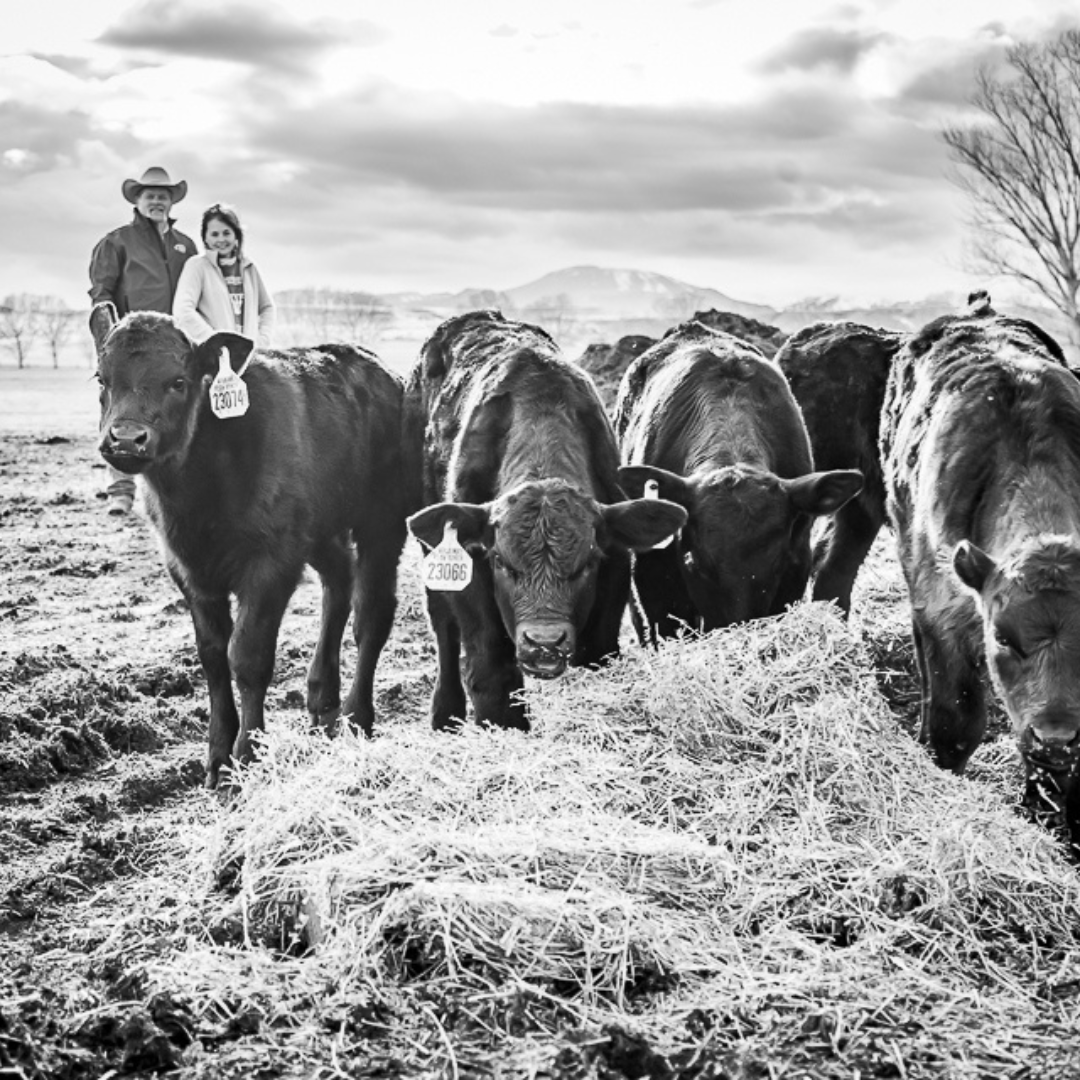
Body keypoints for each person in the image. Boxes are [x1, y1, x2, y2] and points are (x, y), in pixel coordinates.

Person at [88, 165, 196, 515]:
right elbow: (101, 293)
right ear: (138, 200)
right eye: (150, 196)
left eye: (163, 196)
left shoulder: (186, 245)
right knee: (123, 412)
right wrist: (109, 341)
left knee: (171, 415)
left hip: (172, 350)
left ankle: (170, 493)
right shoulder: (116, 241)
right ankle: (120, 490)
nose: (157, 201)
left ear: (171, 201)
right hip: (132, 350)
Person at [173, 203, 275, 348]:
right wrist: (215, 342)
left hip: (249, 359)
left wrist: (261, 342)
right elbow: (183, 311)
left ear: (236, 235)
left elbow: (267, 307)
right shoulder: (197, 266)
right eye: (214, 234)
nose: (221, 239)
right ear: (205, 238)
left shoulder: (249, 268)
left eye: (226, 233)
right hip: (215, 359)